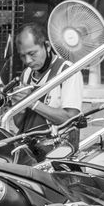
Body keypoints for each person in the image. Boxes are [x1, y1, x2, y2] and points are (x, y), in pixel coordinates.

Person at [14, 22, 83, 158]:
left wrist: (32, 102)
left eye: (32, 53)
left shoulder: (67, 71)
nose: (28, 60)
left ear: (47, 46)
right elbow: (19, 124)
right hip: (29, 147)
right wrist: (19, 106)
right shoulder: (26, 74)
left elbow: (70, 118)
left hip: (58, 150)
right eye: (22, 56)